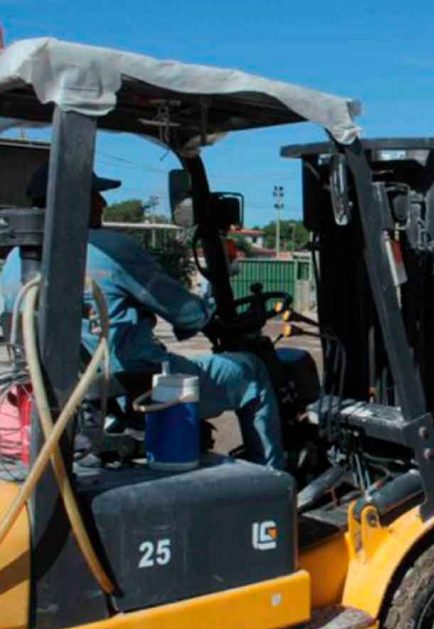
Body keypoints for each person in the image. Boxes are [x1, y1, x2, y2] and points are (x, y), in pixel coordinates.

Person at [1, 165, 284, 468]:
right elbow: (186, 313)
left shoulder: (18, 259)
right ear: (77, 201)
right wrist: (206, 306)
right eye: (96, 196)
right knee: (251, 371)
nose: (104, 204)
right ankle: (275, 476)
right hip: (130, 388)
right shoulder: (110, 249)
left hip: (60, 396)